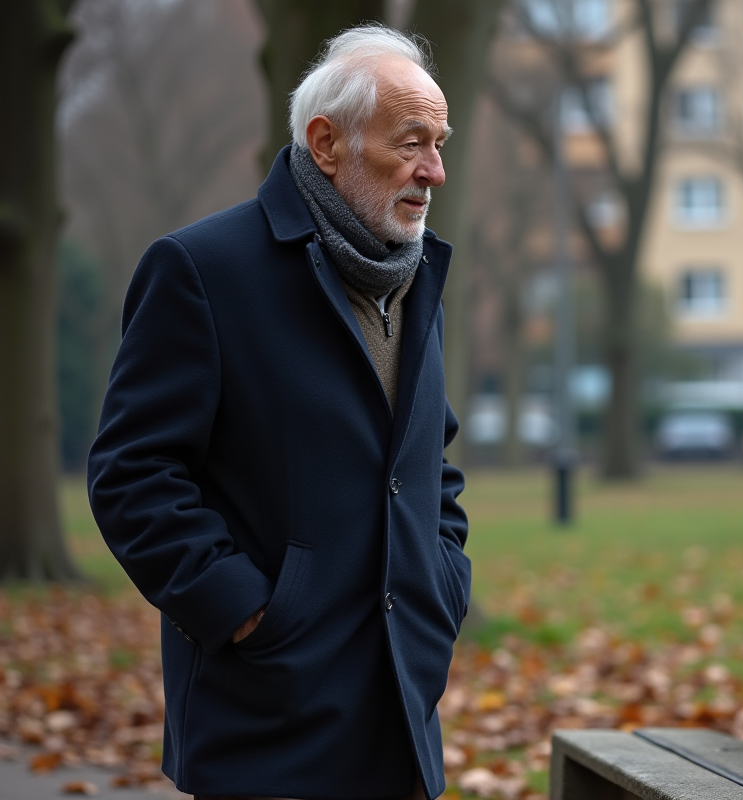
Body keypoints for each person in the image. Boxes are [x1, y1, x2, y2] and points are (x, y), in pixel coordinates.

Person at [87, 25, 468, 800]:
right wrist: (243, 611)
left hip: (401, 710)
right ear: (326, 143)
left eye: (440, 142)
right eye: (412, 142)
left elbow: (430, 464)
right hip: (265, 717)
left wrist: (443, 583)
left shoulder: (415, 273)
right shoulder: (201, 269)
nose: (434, 170)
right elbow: (132, 475)